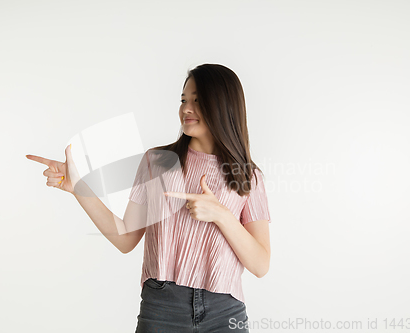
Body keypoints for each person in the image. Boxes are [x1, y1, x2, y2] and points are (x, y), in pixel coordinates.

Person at [26, 63, 271, 333]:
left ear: (223, 105)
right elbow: (125, 238)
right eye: (183, 100)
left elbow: (260, 265)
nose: (186, 109)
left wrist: (222, 215)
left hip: (224, 312)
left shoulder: (247, 175)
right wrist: (79, 188)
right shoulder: (158, 162)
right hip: (162, 307)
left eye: (198, 100)